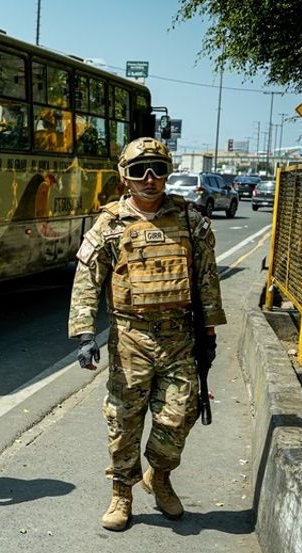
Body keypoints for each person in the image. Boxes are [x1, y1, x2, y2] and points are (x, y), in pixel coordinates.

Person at [67, 137, 226, 532]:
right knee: (124, 421)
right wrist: (85, 334)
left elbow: (206, 279)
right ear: (125, 177)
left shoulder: (190, 220)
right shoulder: (110, 224)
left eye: (157, 170)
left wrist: (208, 331)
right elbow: (87, 281)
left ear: (168, 173)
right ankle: (122, 492)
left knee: (179, 417)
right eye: (139, 171)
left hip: (179, 337)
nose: (149, 179)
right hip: (130, 339)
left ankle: (161, 475)